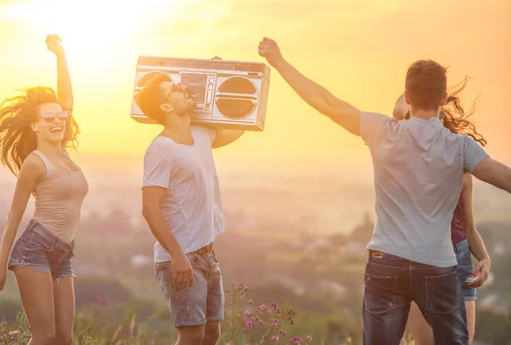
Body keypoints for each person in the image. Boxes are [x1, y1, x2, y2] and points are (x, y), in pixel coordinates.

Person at [258, 37, 511, 345]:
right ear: (443, 98)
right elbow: (505, 178)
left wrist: (280, 62)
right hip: (437, 266)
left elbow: (325, 101)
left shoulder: (381, 131)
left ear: (407, 95)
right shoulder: (459, 147)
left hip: (386, 261)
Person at [0, 35, 88, 345]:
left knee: (64, 338)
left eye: (60, 117)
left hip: (63, 252)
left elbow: (67, 100)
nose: (58, 120)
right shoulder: (35, 163)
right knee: (44, 337)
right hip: (35, 249)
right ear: (35, 126)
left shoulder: (64, 154)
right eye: (49, 117)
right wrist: (0, 266)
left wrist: (60, 55)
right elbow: (14, 216)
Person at [135, 69, 244, 345]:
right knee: (191, 336)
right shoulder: (160, 149)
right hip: (181, 256)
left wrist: (221, 79)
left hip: (207, 253)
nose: (183, 88)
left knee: (210, 335)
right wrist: (177, 256)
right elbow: (150, 208)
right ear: (165, 106)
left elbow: (241, 123)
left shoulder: (201, 133)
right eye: (173, 89)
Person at [393, 88, 491, 345]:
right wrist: (418, 95)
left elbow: (468, 227)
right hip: (419, 258)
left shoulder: (462, 169)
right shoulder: (405, 161)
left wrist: (485, 258)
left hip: (458, 259)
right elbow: (397, 112)